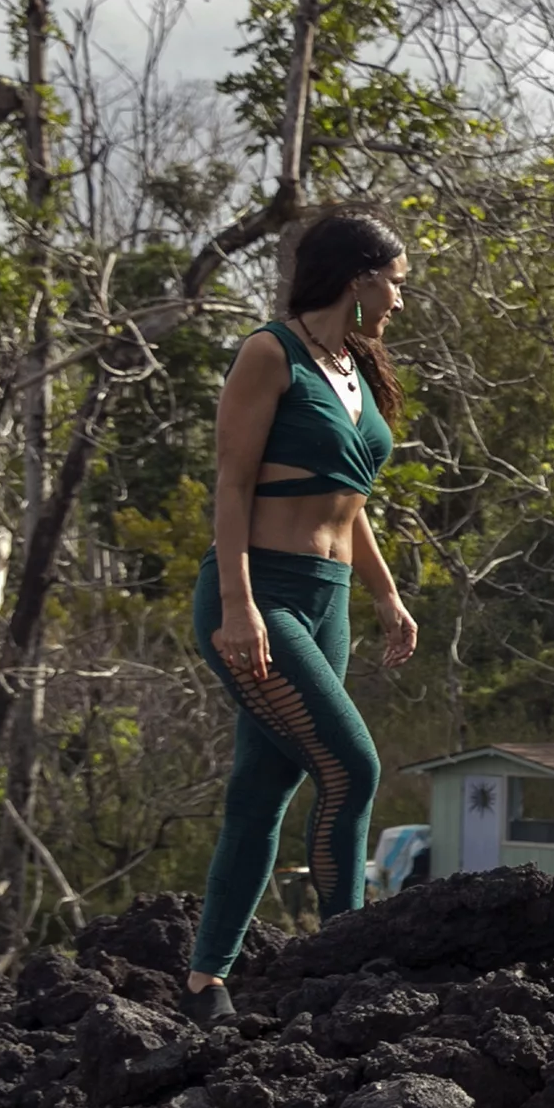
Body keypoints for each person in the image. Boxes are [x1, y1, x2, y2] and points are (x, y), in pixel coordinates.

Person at [183, 208, 420, 1019]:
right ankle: (342, 956)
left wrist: (385, 593)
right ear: (356, 277)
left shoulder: (356, 365)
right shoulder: (269, 352)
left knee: (264, 783)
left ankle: (205, 978)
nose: (398, 299)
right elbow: (232, 486)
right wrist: (240, 608)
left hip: (330, 602)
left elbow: (348, 501)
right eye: (394, 282)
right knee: (351, 769)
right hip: (258, 596)